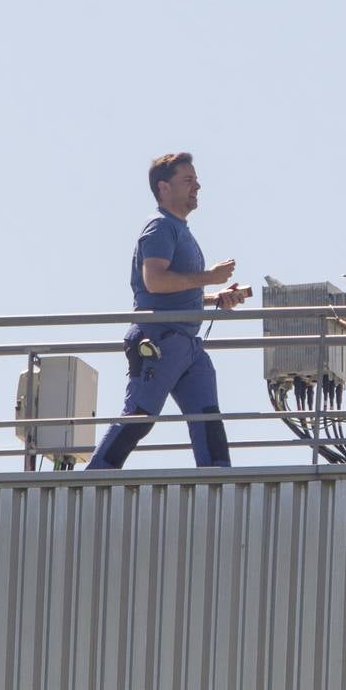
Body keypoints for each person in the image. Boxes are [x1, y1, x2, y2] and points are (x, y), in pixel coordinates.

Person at [86, 153, 248, 470]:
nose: (197, 186)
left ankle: (219, 480)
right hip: (159, 339)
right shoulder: (160, 227)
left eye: (196, 180)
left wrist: (215, 296)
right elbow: (155, 281)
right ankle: (93, 478)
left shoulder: (179, 229)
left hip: (186, 344)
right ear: (164, 188)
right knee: (140, 415)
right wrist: (208, 278)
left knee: (208, 417)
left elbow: (174, 292)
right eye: (188, 180)